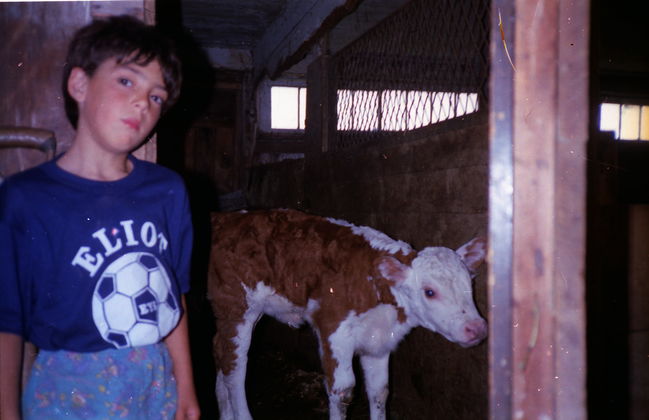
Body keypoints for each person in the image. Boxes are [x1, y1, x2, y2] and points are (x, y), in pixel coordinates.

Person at [0, 15, 200, 419]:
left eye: (157, 96)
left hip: (153, 381)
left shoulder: (167, 191)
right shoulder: (27, 198)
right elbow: (7, 323)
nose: (143, 102)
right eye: (127, 81)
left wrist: (187, 389)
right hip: (67, 392)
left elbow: (173, 296)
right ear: (79, 84)